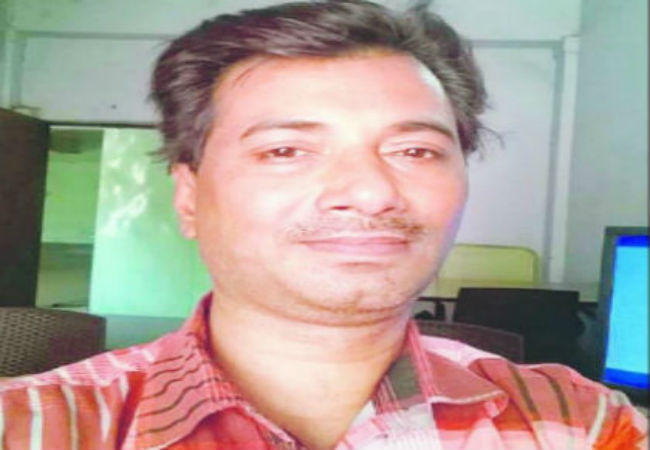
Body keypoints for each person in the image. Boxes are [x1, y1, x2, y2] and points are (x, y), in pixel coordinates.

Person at [0, 1, 646, 448]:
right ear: (190, 197)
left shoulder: (580, 423)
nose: (369, 191)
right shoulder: (28, 425)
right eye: (286, 150)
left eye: (415, 150)